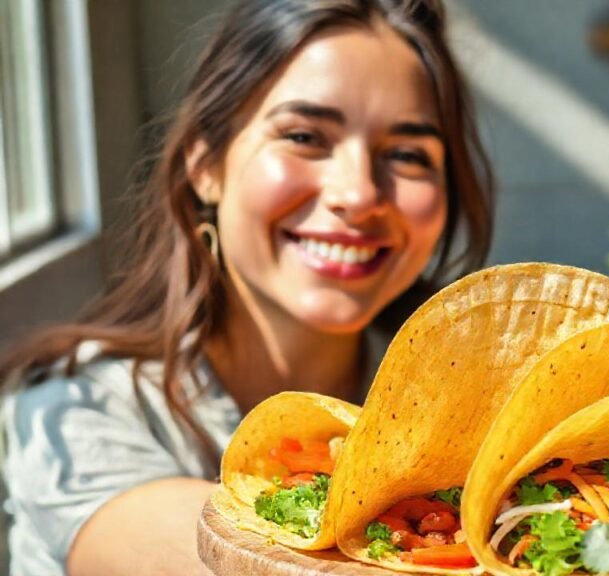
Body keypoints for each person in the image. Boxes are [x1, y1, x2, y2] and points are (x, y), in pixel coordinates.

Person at [0, 0, 493, 574]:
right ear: (205, 164)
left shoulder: (471, 407)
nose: (358, 194)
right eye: (305, 136)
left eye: (408, 154)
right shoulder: (76, 415)